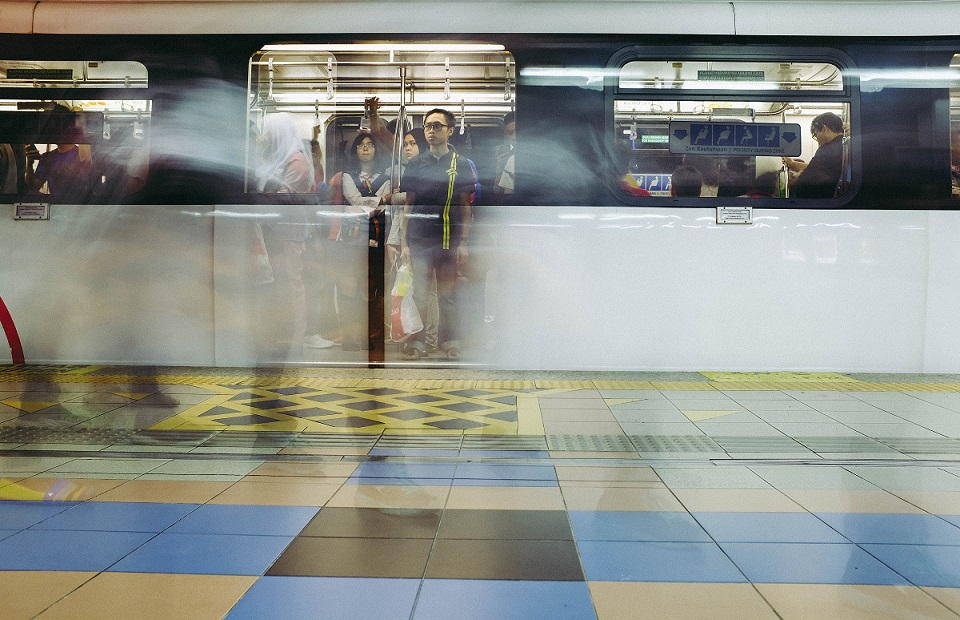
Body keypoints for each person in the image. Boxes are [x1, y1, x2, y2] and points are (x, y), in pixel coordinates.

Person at [400, 108, 476, 360]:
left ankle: (451, 342)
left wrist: (463, 242)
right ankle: (416, 343)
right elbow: (408, 204)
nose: (431, 131)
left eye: (437, 126)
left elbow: (465, 206)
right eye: (428, 126)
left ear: (450, 130)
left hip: (449, 239)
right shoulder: (415, 164)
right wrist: (404, 242)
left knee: (449, 295)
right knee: (420, 294)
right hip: (419, 239)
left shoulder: (460, 164)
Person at [256, 113, 315, 356]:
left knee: (291, 286)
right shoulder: (275, 159)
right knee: (276, 287)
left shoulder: (297, 162)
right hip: (271, 232)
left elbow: (281, 198)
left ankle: (294, 340)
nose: (264, 136)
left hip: (287, 234)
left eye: (268, 131)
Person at [337, 133, 392, 350]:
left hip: (376, 237)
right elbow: (355, 199)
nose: (366, 149)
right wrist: (377, 201)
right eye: (361, 145)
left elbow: (381, 205)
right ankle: (349, 335)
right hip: (352, 238)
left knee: (370, 287)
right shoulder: (348, 176)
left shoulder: (385, 178)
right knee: (349, 285)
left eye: (370, 145)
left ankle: (368, 335)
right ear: (355, 151)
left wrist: (366, 206)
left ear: (376, 150)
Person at [782, 112, 845, 199]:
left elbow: (806, 186)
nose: (818, 140)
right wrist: (793, 164)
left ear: (824, 129)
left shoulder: (827, 149)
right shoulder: (848, 145)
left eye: (815, 135)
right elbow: (823, 168)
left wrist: (796, 182)